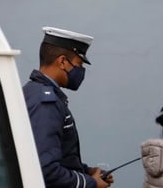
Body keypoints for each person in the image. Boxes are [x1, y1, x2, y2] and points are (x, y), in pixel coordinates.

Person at [23, 27, 111, 188]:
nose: (81, 71)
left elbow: (54, 154)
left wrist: (87, 171)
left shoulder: (33, 91)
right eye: (78, 64)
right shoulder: (46, 102)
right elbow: (46, 169)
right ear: (62, 61)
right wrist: (90, 183)